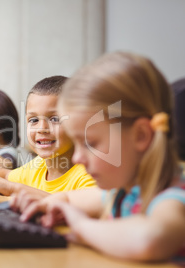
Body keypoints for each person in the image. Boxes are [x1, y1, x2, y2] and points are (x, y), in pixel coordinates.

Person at [10, 52, 185, 262]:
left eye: (90, 144)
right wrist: (47, 206)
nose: (77, 159)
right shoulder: (118, 194)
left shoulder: (172, 199)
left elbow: (149, 240)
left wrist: (83, 227)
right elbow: (67, 198)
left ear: (141, 135)